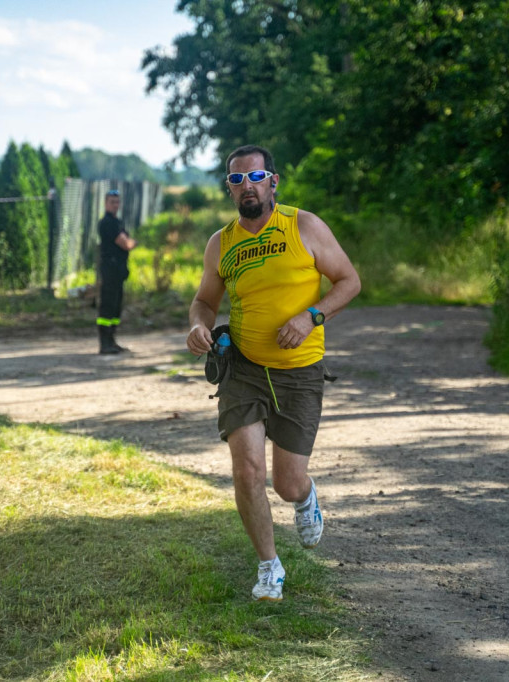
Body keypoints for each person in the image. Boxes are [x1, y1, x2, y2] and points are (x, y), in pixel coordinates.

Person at [185, 144, 361, 601]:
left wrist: (311, 318)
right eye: (237, 179)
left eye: (255, 176)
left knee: (284, 482)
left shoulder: (304, 226)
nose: (247, 186)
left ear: (273, 181)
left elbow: (349, 282)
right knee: (246, 469)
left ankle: (304, 497)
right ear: (229, 188)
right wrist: (198, 325)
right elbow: (204, 300)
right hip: (241, 367)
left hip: (299, 372)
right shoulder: (221, 243)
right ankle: (269, 567)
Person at [96, 189, 137, 354]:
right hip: (110, 270)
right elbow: (126, 244)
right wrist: (133, 242)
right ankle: (104, 343)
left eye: (117, 202)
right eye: (112, 202)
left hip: (118, 271)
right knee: (107, 306)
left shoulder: (117, 221)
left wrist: (130, 241)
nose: (115, 205)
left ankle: (112, 340)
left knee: (116, 306)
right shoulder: (107, 223)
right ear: (106, 203)